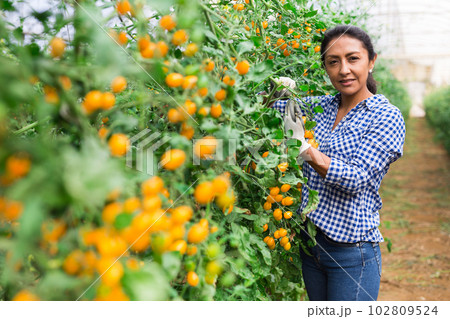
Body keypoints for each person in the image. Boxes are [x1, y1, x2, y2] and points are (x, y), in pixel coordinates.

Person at [271, 25, 406, 301]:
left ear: (371, 61)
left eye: (353, 58)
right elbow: (273, 110)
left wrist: (306, 149)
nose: (344, 69)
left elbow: (356, 179)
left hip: (352, 253)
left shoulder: (386, 116)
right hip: (311, 244)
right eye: (333, 62)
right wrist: (277, 93)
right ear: (326, 68)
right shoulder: (324, 106)